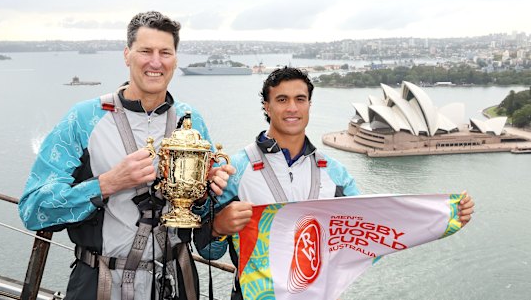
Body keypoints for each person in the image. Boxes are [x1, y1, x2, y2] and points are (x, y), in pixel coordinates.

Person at [195, 67, 475, 300]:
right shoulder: (234, 168)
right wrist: (218, 227)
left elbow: (374, 230)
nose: (292, 108)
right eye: (282, 100)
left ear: (309, 105)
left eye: (300, 99)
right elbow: (207, 249)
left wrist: (444, 218)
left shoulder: (336, 174)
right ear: (266, 107)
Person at [18, 11, 234, 300]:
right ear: (127, 55)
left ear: (175, 59)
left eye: (165, 52)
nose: (155, 62)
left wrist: (208, 196)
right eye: (145, 51)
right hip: (100, 287)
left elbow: (210, 248)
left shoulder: (191, 121)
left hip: (176, 285)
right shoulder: (83, 119)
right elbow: (33, 210)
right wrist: (107, 183)